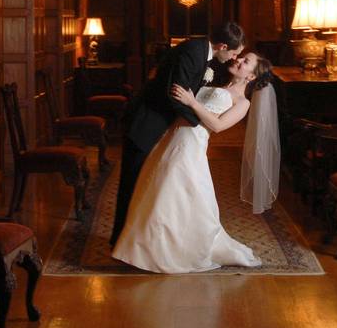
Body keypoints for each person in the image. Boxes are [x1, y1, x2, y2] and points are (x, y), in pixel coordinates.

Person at [111, 52, 274, 273]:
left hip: (191, 144)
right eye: (240, 57)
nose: (238, 60)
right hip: (170, 137)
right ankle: (144, 248)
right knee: (155, 189)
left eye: (245, 62)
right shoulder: (214, 81)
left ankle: (168, 251)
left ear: (251, 76)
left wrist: (191, 102)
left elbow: (217, 125)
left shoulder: (242, 102)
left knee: (171, 193)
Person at [109, 22, 245, 248]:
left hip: (160, 124)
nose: (233, 58)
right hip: (146, 122)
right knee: (132, 181)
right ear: (222, 46)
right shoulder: (194, 51)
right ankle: (120, 241)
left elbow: (187, 93)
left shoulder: (202, 52)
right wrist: (201, 124)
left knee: (147, 183)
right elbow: (175, 94)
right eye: (233, 52)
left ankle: (137, 240)